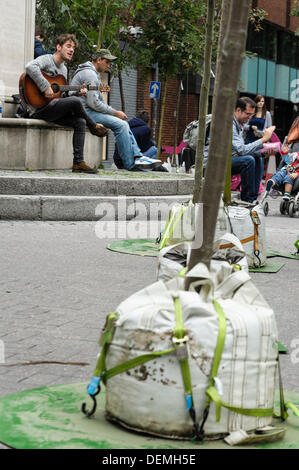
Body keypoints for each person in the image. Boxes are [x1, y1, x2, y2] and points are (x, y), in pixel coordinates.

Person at [25, 33, 108, 174]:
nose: (71, 50)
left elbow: (62, 95)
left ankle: (78, 163)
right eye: (68, 46)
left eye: (73, 48)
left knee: (80, 121)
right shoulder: (46, 59)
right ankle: (93, 125)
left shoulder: (64, 69)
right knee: (76, 104)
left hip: (52, 108)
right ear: (58, 47)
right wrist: (45, 86)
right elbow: (30, 67)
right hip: (37, 108)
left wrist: (77, 92)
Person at [70, 49, 162, 171]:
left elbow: (99, 101)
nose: (109, 66)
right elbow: (94, 103)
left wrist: (114, 111)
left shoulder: (94, 74)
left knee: (123, 123)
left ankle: (138, 156)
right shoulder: (90, 75)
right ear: (98, 60)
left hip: (88, 110)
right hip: (85, 112)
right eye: (107, 62)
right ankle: (130, 164)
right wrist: (115, 113)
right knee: (120, 125)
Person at [232, 96, 275, 203]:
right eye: (248, 114)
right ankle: (247, 200)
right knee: (248, 160)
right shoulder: (230, 124)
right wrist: (263, 139)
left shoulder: (239, 125)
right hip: (218, 163)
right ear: (238, 110)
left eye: (251, 114)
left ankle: (253, 195)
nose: (250, 118)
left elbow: (240, 149)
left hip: (231, 156)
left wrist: (263, 153)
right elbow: (242, 150)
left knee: (256, 158)